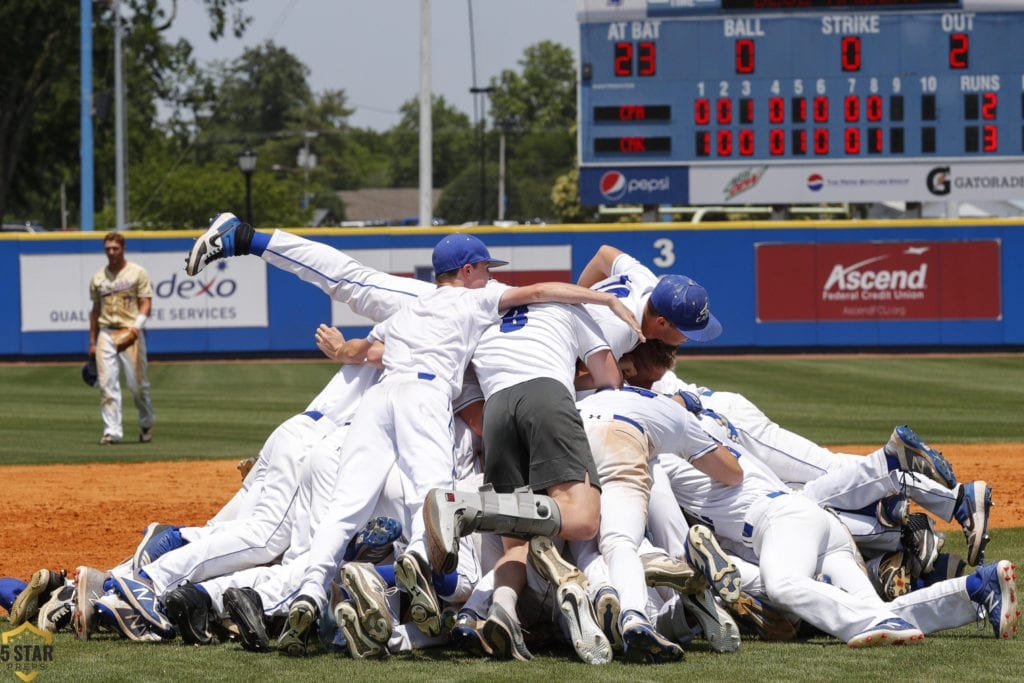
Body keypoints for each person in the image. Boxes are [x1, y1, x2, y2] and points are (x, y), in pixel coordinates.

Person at [88, 231, 155, 444]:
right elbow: (95, 310)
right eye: (108, 248)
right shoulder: (98, 278)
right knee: (107, 385)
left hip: (130, 330)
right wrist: (92, 341)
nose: (111, 252)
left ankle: (146, 422)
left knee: (137, 386)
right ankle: (112, 431)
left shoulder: (137, 272)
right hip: (106, 332)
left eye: (115, 248)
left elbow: (146, 303)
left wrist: (136, 329)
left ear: (123, 249)